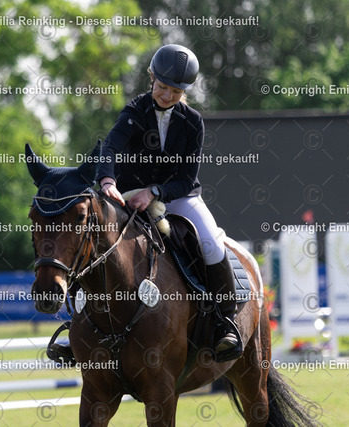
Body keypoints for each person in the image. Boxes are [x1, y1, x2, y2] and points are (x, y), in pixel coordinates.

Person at [97, 44, 240, 360]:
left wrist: (155, 192)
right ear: (151, 77)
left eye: (176, 91)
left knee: (212, 243)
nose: (166, 95)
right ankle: (78, 322)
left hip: (177, 197)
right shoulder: (134, 113)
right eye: (162, 87)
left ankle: (225, 323)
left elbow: (187, 179)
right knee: (95, 237)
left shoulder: (193, 122)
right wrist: (107, 181)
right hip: (129, 197)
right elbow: (110, 148)